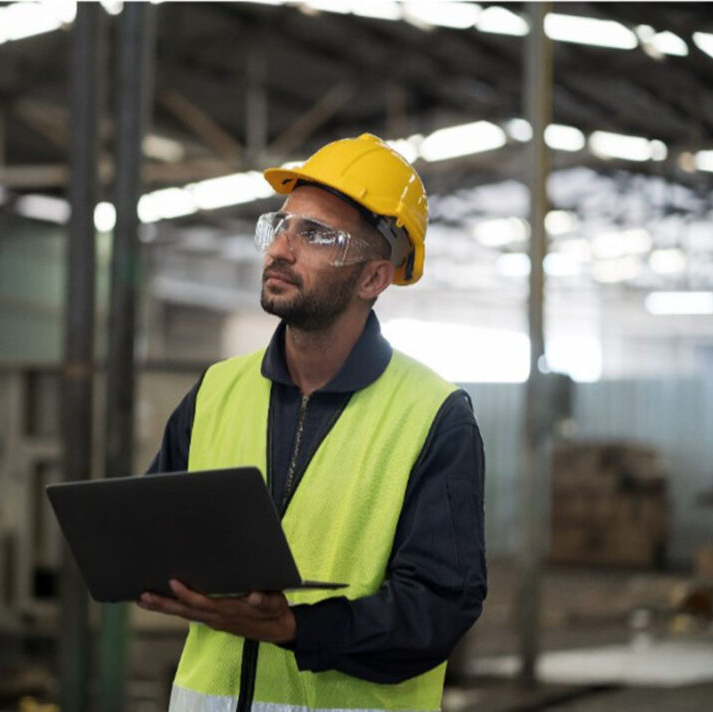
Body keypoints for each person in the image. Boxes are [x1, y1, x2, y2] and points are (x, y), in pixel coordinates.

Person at [139, 134, 487, 712]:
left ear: (373, 278)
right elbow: (153, 537)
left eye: (316, 235)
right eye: (280, 226)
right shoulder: (216, 392)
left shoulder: (433, 415)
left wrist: (297, 628)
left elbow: (440, 606)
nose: (280, 249)